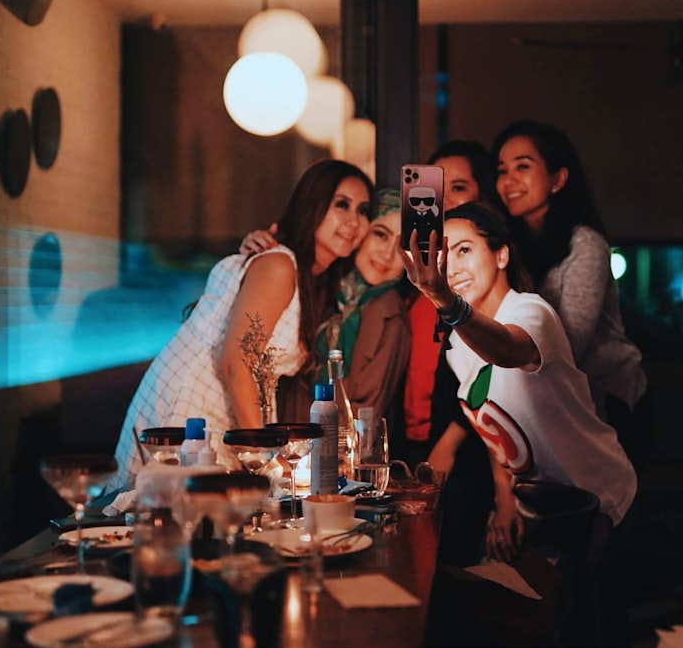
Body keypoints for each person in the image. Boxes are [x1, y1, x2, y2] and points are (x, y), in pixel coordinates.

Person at [106, 159, 374, 493]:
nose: (354, 222)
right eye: (342, 205)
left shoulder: (310, 279)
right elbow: (235, 363)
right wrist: (267, 458)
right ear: (311, 205)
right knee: (169, 523)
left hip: (223, 412)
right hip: (191, 411)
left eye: (363, 210)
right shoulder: (279, 264)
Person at [401, 202, 637, 563]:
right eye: (445, 256)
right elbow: (496, 428)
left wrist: (447, 304)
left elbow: (509, 349)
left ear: (501, 255)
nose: (453, 267)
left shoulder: (531, 311)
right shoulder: (458, 346)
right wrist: (505, 501)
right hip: (540, 508)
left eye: (465, 249)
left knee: (578, 613)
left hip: (598, 499)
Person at [491, 120, 653, 472]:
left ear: (558, 179)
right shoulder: (514, 246)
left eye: (523, 166)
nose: (508, 181)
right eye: (502, 170)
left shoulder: (585, 244)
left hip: (609, 399)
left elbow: (569, 343)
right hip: (557, 405)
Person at [241, 189, 411, 422]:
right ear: (360, 235)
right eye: (380, 235)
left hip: (329, 448)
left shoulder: (387, 310)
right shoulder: (322, 283)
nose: (388, 253)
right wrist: (257, 252)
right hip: (281, 433)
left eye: (404, 248)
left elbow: (365, 415)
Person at [401, 140, 499, 464]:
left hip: (467, 445)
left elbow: (496, 370)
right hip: (410, 437)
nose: (443, 199)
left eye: (458, 187)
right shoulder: (412, 265)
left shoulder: (482, 272)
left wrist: (451, 441)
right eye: (436, 186)